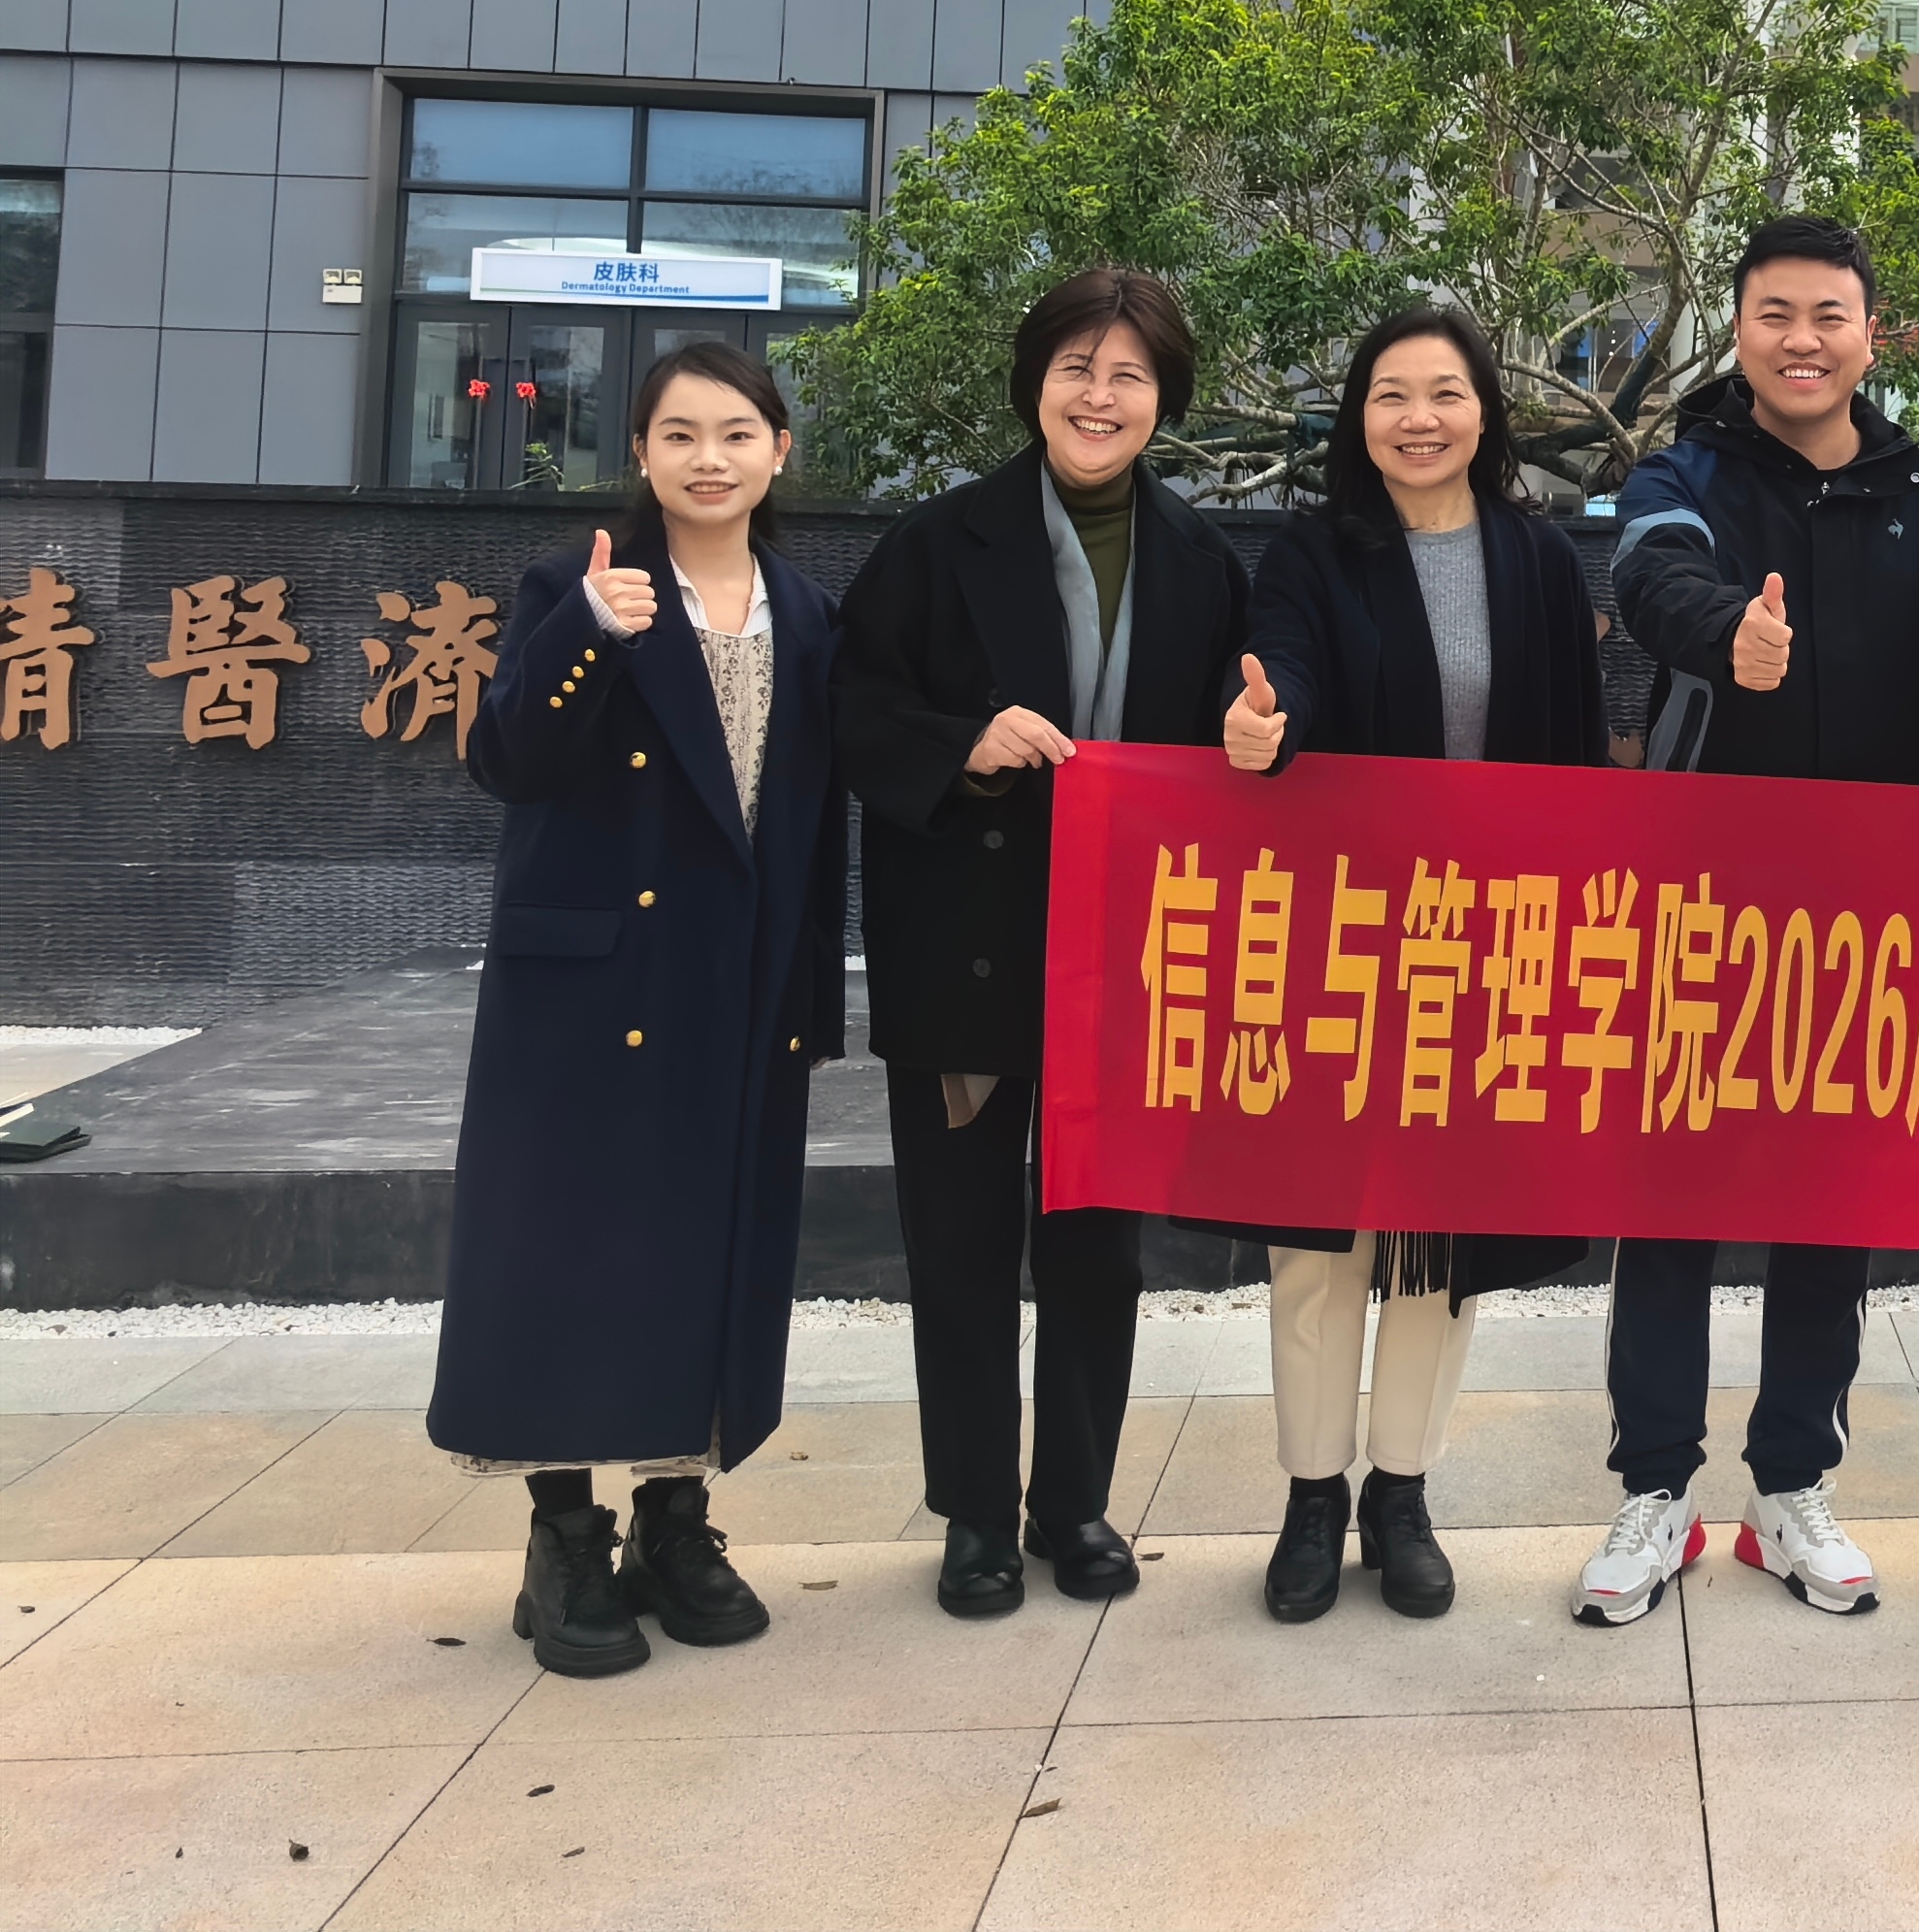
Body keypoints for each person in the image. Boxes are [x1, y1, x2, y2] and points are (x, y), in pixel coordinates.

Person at [1577, 216, 1919, 1628]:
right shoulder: (1685, 471)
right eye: (1775, 314)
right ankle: (1655, 1490)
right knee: (1673, 1198)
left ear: (1872, 335)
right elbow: (1651, 573)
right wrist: (1727, 635)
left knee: (1831, 1200)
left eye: (1829, 316)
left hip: (1873, 913)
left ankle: (1791, 1486)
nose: (1802, 341)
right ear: (1741, 327)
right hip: (1704, 904)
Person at [835, 269, 1252, 1621]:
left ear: (1164, 399)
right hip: (963, 945)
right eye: (1077, 367)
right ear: (1035, 384)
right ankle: (973, 1512)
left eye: (1130, 374)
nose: (1100, 396)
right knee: (957, 1246)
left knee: (1095, 1251)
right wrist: (962, 742)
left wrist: (1261, 734)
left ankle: (1073, 1502)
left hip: (1123, 961)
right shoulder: (936, 541)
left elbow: (1240, 740)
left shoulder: (1203, 561)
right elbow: (854, 707)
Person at [429, 343, 848, 1678]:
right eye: (680, 434)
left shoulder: (807, 611)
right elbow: (507, 759)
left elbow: (808, 824)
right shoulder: (577, 583)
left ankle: (677, 1519)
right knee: (569, 1251)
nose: (709, 459)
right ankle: (564, 1537)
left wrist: (810, 993)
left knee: (709, 1247)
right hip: (592, 987)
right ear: (643, 454)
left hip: (738, 986)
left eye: (736, 433)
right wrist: (588, 637)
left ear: (779, 451)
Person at [1224, 305, 1601, 1622]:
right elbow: (1284, 675)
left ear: (1485, 412)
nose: (1419, 418)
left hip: (1486, 942)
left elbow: (1574, 754)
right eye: (1391, 394)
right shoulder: (1312, 551)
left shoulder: (1539, 559)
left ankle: (1402, 1489)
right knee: (1319, 1233)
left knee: (1444, 1232)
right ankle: (1310, 1493)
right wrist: (1265, 726)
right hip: (1338, 935)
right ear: (1359, 417)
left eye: (1445, 392)